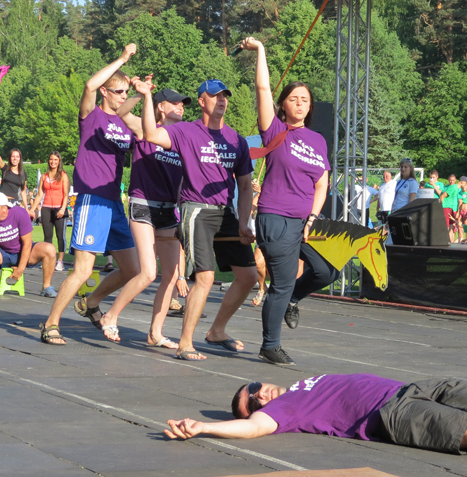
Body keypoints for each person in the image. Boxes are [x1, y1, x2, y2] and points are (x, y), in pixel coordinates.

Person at [165, 375, 467, 471]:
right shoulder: (285, 409)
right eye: (252, 403)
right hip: (390, 415)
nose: (260, 394)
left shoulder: (298, 384)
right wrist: (205, 427)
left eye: (254, 387)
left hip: (414, 388)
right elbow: (253, 428)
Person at [140, 73, 258, 361]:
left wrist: (244, 222)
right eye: (216, 96)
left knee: (248, 276)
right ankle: (185, 344)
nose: (222, 101)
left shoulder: (236, 140)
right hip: (196, 210)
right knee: (205, 277)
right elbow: (151, 135)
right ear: (202, 101)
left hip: (225, 212)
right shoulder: (186, 131)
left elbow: (245, 186)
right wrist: (146, 96)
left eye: (225, 96)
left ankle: (216, 330)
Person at [240, 37, 335, 365]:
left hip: (304, 221)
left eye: (305, 99)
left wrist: (313, 217)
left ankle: (292, 300)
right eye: (293, 98)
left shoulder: (318, 140)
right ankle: (270, 345)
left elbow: (322, 183)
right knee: (281, 283)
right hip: (276, 218)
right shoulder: (275, 130)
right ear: (283, 105)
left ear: (310, 106)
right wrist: (261, 50)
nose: (300, 103)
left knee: (326, 271)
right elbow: (262, 89)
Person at [41, 44, 141, 345]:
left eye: (126, 93)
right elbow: (89, 85)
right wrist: (122, 59)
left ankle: (91, 302)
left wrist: (141, 92)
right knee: (83, 270)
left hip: (114, 203)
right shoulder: (92, 117)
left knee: (132, 269)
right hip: (92, 200)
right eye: (119, 92)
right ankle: (50, 324)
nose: (123, 97)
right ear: (105, 92)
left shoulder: (125, 124)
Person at [109, 85, 191, 349]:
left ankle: (155, 333)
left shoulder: (183, 137)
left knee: (171, 276)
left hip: (168, 209)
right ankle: (111, 316)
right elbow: (121, 112)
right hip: (143, 204)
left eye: (182, 104)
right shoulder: (146, 129)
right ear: (160, 107)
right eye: (175, 103)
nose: (180, 106)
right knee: (148, 273)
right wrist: (142, 94)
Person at [29, 152, 70, 271]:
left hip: (59, 208)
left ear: (59, 161)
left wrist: (63, 208)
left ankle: (60, 261)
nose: (53, 162)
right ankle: (47, 259)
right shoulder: (44, 176)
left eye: (55, 160)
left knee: (60, 235)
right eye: (51, 159)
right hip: (46, 207)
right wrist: (32, 209)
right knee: (47, 236)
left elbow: (66, 194)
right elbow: (40, 194)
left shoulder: (63, 176)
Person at [0, 134, 29, 210]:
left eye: (17, 157)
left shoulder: (23, 174)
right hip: (2, 201)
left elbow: (23, 192)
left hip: (14, 202)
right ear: (10, 158)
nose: (15, 158)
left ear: (20, 159)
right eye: (13, 156)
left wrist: (26, 208)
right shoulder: (5, 169)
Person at [439, 174, 460, 242]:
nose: (451, 182)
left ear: (455, 180)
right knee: (447, 225)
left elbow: (460, 200)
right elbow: (441, 196)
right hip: (446, 207)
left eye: (453, 180)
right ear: (448, 179)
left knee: (452, 226)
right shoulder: (446, 187)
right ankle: (446, 240)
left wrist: (458, 210)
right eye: (450, 180)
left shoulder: (455, 187)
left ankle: (450, 241)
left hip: (452, 208)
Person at [457, 176, 467, 243]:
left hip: (466, 210)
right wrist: (458, 212)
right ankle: (460, 240)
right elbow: (459, 203)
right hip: (461, 210)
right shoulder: (459, 193)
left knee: (466, 228)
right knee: (460, 227)